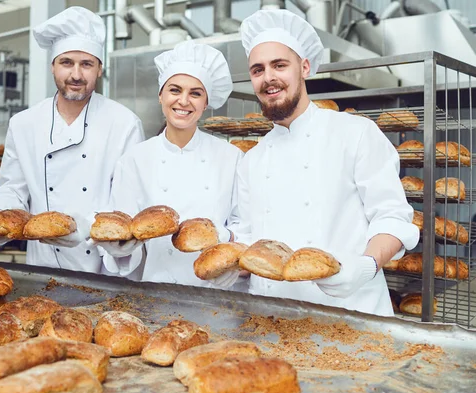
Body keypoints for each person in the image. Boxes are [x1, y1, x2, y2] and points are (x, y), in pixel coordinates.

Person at [221, 10, 419, 315]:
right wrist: (230, 265)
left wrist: (366, 266)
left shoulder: (355, 133)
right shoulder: (253, 159)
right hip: (272, 319)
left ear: (305, 67)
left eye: (279, 65)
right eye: (257, 70)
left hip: (352, 314)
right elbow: (249, 239)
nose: (268, 78)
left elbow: (392, 218)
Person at [0, 7, 145, 273]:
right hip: (42, 266)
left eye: (86, 64)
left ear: (100, 69)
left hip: (104, 268)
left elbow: (128, 203)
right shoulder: (24, 124)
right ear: (52, 66)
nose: (76, 75)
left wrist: (85, 227)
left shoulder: (124, 124)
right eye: (67, 62)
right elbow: (12, 189)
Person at [96, 40, 246, 290]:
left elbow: (245, 228)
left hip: (217, 294)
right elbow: (125, 239)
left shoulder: (231, 158)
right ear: (160, 96)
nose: (184, 101)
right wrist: (119, 249)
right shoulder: (134, 161)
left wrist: (231, 246)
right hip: (156, 291)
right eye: (175, 90)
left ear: (206, 103)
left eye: (195, 93)